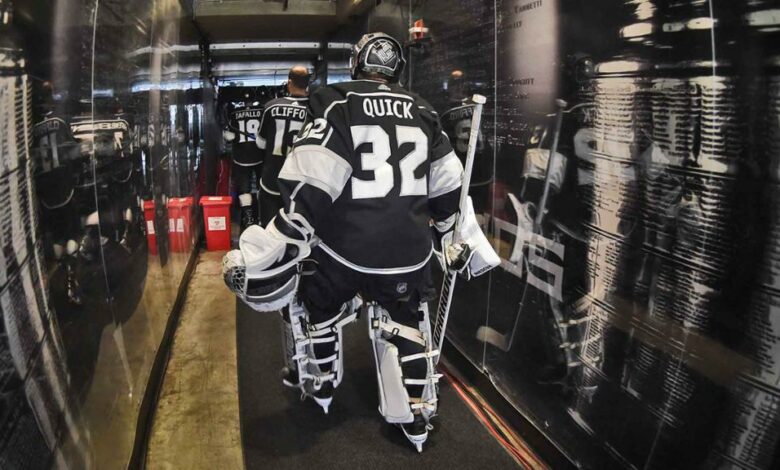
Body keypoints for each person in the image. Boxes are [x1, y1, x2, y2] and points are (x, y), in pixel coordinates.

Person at [223, 32, 497, 452]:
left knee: (316, 301)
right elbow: (449, 190)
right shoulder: (424, 111)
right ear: (396, 69)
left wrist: (277, 242)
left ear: (356, 63)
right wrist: (454, 238)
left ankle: (322, 385)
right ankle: (416, 410)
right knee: (408, 315)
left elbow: (312, 181)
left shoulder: (336, 102)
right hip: (409, 252)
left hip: (344, 250)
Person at [255, 66, 310, 226]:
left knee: (269, 227)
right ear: (307, 84)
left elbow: (261, 143)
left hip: (272, 178)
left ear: (289, 83)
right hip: (300, 180)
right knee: (297, 228)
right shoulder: (315, 109)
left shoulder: (271, 106)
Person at [224, 91, 264, 232]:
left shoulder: (234, 113)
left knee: (244, 189)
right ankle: (262, 216)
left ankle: (248, 218)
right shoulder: (262, 111)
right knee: (261, 187)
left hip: (241, 156)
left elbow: (229, 136)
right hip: (259, 154)